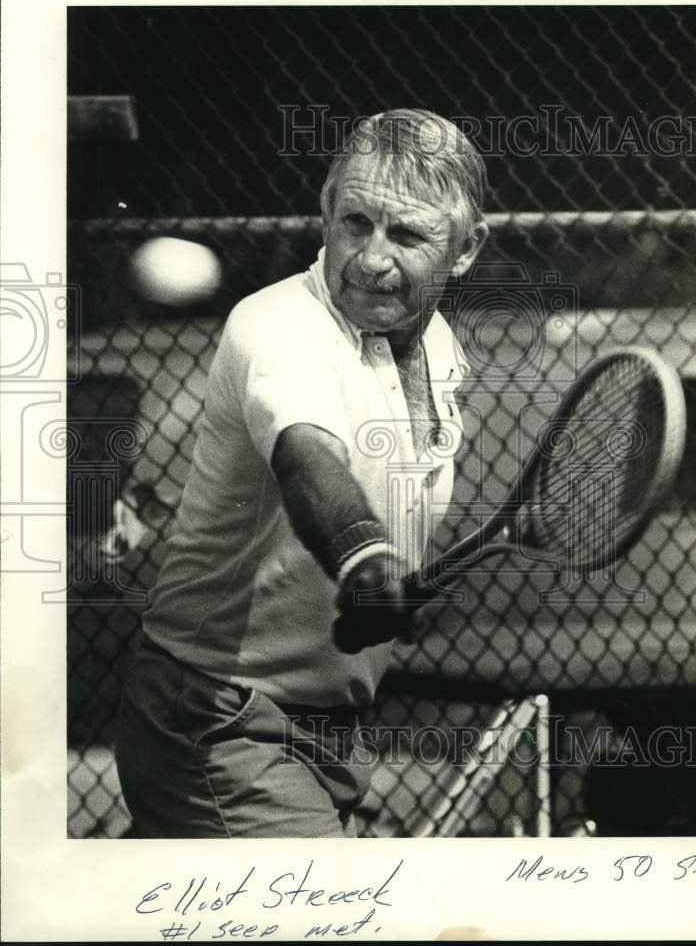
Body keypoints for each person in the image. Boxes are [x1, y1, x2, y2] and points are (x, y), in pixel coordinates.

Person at [115, 109, 489, 837]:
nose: (370, 258)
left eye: (407, 235)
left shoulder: (439, 345)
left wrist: (392, 576)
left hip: (332, 726)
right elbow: (306, 453)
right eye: (355, 223)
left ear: (466, 249)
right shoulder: (280, 325)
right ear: (324, 215)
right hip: (218, 717)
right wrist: (367, 557)